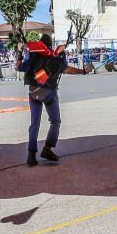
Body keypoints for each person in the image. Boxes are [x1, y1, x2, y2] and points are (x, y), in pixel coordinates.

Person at [17, 34, 88, 166]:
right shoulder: (56, 57)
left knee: (34, 124)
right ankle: (47, 148)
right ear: (50, 44)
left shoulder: (33, 56)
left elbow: (19, 67)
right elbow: (67, 69)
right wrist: (83, 71)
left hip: (34, 92)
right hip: (49, 93)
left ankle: (31, 155)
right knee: (55, 121)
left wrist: (20, 52)